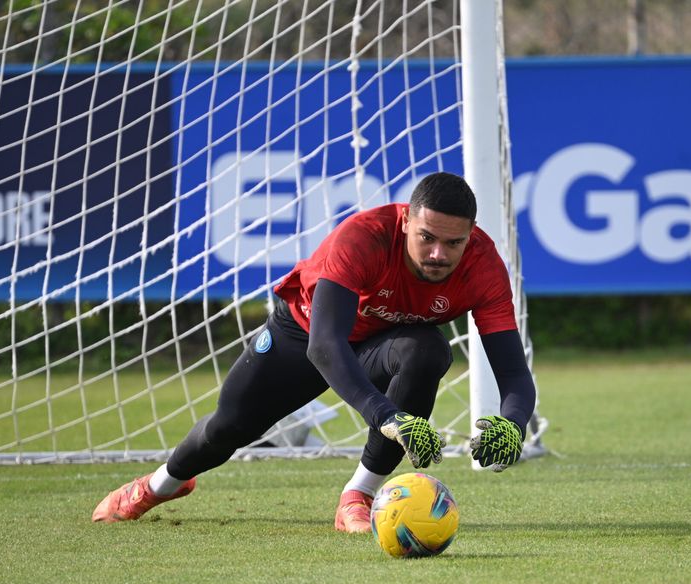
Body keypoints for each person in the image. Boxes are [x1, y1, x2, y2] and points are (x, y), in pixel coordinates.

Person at [92, 172, 536, 532]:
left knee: (427, 352)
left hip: (383, 345)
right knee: (227, 428)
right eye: (427, 238)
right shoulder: (363, 236)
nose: (439, 254)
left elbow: (514, 373)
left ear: (470, 236)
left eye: (454, 243)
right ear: (405, 222)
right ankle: (159, 485)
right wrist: (385, 415)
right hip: (305, 333)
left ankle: (359, 496)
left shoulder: (484, 266)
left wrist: (514, 424)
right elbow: (325, 346)